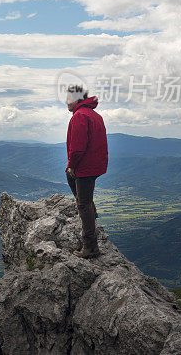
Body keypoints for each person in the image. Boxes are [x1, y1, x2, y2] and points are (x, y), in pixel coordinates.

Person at [65, 84, 108, 259]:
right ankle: (91, 210)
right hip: (96, 164)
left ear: (76, 100)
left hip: (85, 166)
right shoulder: (94, 115)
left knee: (83, 203)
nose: (66, 102)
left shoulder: (80, 116)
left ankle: (90, 247)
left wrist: (72, 165)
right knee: (71, 180)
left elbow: (77, 148)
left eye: (68, 99)